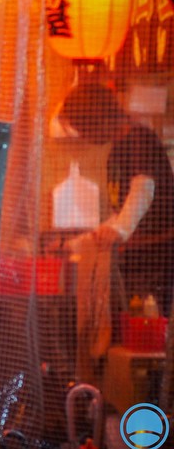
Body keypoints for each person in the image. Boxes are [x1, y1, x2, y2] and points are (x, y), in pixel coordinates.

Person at [59, 82, 174, 317]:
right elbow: (120, 213)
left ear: (97, 119)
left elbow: (143, 187)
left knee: (147, 329)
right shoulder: (116, 151)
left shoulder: (140, 139)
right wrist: (73, 245)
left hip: (158, 261)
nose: (83, 136)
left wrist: (120, 230)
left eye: (83, 128)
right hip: (135, 261)